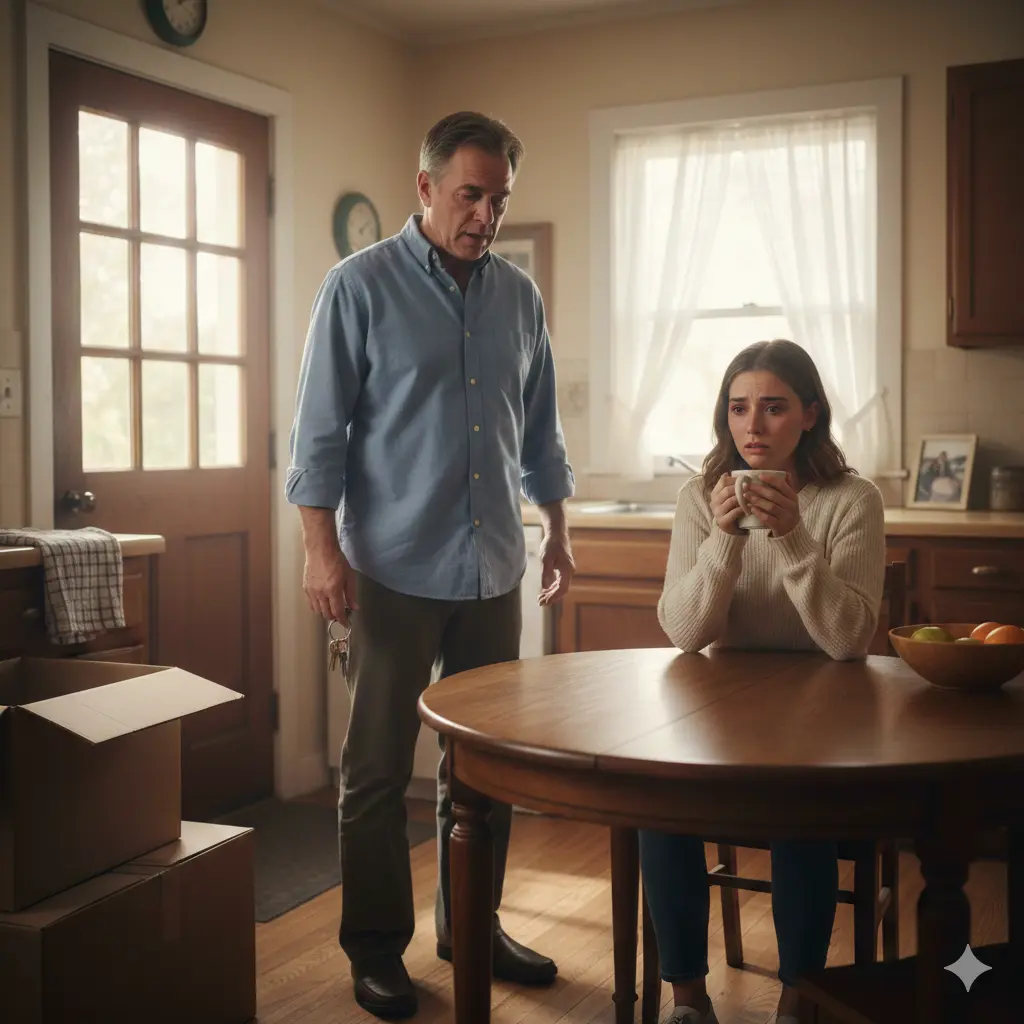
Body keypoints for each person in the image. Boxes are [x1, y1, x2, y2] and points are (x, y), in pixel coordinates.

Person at [285, 111, 576, 1019]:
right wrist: (318, 553)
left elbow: (541, 434)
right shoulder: (357, 288)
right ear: (426, 188)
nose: (485, 213)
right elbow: (317, 439)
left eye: (498, 198)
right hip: (389, 570)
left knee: (485, 767)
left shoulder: (520, 299)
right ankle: (376, 948)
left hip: (494, 567)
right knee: (375, 769)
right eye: (470, 193)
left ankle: (471, 925)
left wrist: (557, 531)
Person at [643, 339, 885, 1024]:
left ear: (810, 414)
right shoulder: (701, 497)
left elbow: (847, 642)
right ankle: (687, 999)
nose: (753, 426)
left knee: (797, 809)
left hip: (823, 708)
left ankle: (796, 1000)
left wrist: (791, 536)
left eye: (774, 408)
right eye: (739, 408)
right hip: (720, 711)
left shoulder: (851, 500)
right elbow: (685, 632)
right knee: (659, 803)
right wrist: (724, 540)